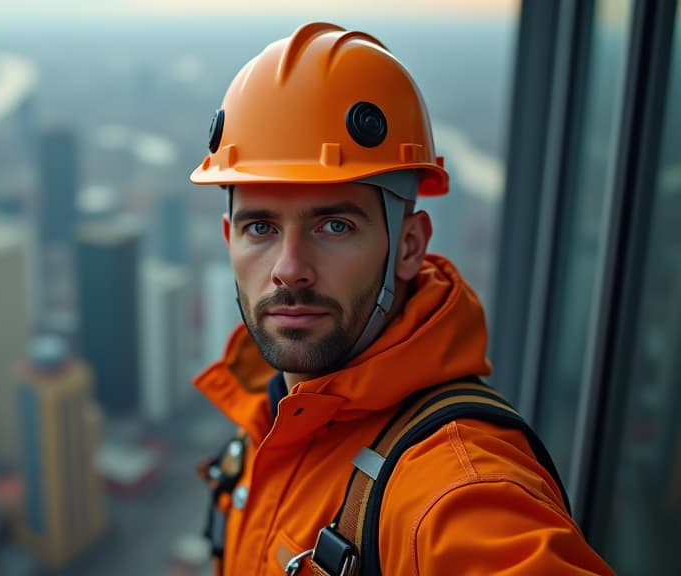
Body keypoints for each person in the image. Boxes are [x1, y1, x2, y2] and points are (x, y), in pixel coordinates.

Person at [190, 22, 615, 575]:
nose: (289, 270)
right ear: (230, 241)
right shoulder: (267, 418)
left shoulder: (453, 488)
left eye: (335, 226)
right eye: (261, 229)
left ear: (409, 246)